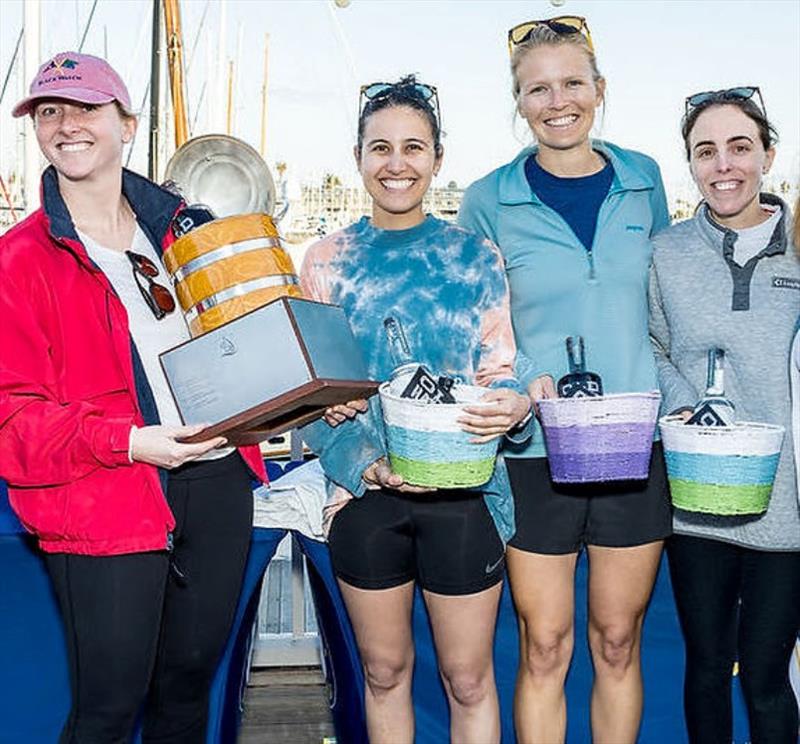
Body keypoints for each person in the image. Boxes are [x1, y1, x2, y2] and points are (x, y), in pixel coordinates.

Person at [0, 52, 267, 743]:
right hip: (103, 495)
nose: (66, 125)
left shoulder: (185, 229)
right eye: (49, 112)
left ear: (126, 123)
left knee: (184, 695)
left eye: (85, 107)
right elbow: (13, 420)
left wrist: (304, 392)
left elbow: (250, 340)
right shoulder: (18, 261)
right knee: (109, 711)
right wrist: (126, 440)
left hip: (215, 478)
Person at [458, 17, 672, 743]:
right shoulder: (487, 199)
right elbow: (476, 327)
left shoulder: (645, 179)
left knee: (617, 641)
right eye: (537, 88)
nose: (558, 101)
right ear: (518, 103)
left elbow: (663, 308)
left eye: (573, 82)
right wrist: (524, 377)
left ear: (600, 90)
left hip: (634, 452)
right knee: (544, 646)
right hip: (533, 455)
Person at [299, 76, 531, 744]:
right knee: (383, 673)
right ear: (359, 156)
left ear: (436, 157)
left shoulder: (473, 256)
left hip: (463, 496)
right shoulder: (325, 261)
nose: (396, 163)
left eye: (412, 147)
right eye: (381, 147)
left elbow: (498, 373)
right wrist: (366, 465)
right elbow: (312, 401)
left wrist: (511, 406)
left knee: (468, 680)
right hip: (366, 497)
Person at [649, 87, 800, 742]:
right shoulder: (666, 253)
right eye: (704, 151)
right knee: (708, 668)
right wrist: (683, 403)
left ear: (767, 153)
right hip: (697, 502)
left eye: (739, 146)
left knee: (767, 678)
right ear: (691, 165)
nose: (723, 165)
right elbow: (650, 345)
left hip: (787, 509)